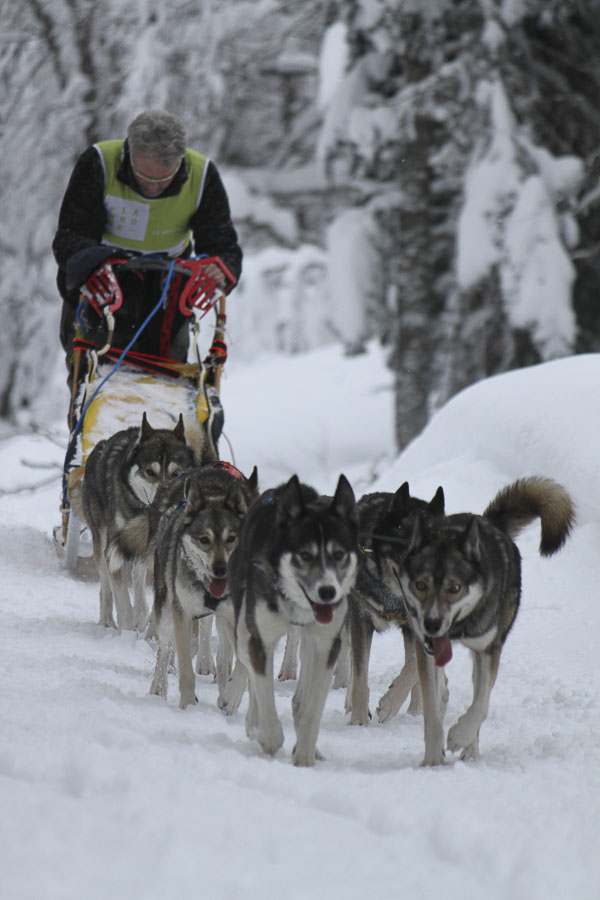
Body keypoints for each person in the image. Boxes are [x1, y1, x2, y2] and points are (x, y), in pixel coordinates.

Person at [52, 109, 242, 366]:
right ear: (128, 153)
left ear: (181, 162)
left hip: (167, 296)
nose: (153, 188)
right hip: (103, 289)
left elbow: (224, 247)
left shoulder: (202, 176)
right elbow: (70, 237)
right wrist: (92, 263)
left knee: (165, 385)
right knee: (93, 383)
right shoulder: (99, 164)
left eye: (164, 181)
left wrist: (218, 270)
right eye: (143, 178)